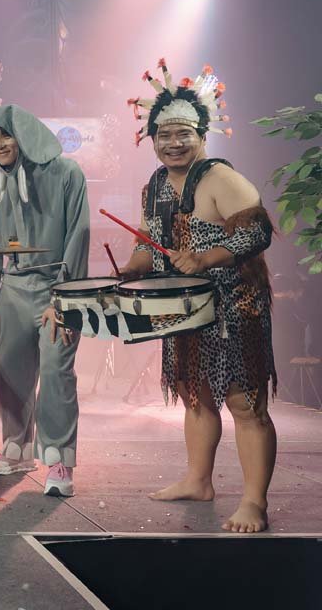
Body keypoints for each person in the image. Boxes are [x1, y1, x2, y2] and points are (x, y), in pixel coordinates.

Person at [119, 60, 277, 533]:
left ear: (203, 135)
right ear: (152, 139)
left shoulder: (220, 178)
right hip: (185, 308)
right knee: (196, 396)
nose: (173, 142)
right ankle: (198, 480)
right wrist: (130, 269)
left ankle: (254, 502)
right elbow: (149, 244)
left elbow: (258, 231)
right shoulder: (155, 185)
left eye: (183, 133)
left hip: (235, 307)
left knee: (245, 403)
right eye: (164, 135)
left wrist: (207, 258)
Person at [0, 104, 89, 497]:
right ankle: (17, 447)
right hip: (14, 289)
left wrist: (65, 297)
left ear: (24, 133)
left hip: (57, 289)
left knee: (56, 371)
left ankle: (58, 457)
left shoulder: (66, 173)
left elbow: (78, 236)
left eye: (6, 134)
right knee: (9, 366)